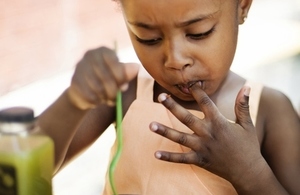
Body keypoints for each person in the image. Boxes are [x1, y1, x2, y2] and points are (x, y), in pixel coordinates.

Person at [37, 0, 300, 194]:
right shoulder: (126, 92)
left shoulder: (270, 111)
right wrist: (74, 101)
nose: (175, 60)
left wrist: (249, 171)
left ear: (242, 6)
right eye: (148, 38)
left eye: (199, 33)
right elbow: (27, 167)